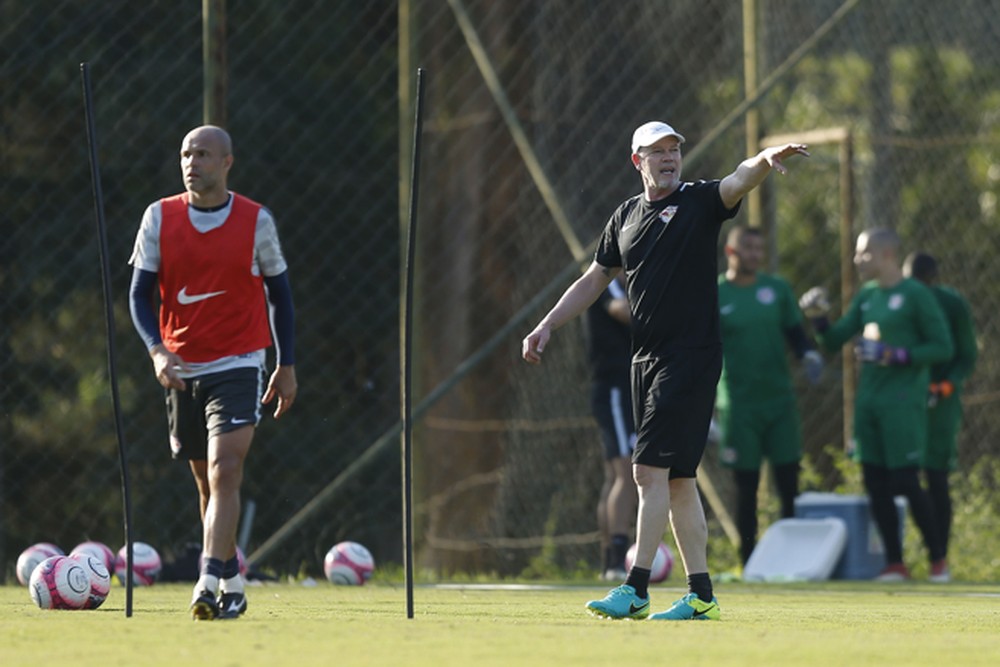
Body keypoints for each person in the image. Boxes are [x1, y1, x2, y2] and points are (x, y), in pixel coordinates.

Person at [522, 120, 809, 620]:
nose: (669, 157)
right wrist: (547, 324)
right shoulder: (625, 217)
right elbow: (594, 280)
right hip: (645, 361)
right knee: (678, 480)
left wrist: (763, 161)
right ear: (638, 161)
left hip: (690, 357)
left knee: (646, 471)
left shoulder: (698, 202)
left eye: (674, 148)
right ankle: (701, 595)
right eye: (657, 151)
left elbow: (737, 180)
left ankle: (635, 588)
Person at [128, 125, 297, 619]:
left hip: (240, 361)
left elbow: (280, 296)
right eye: (185, 153)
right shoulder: (158, 218)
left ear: (227, 162)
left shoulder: (255, 221)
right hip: (182, 366)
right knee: (206, 484)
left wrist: (286, 365)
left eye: (202, 153)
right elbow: (140, 296)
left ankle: (205, 583)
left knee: (226, 470)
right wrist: (158, 351)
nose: (191, 162)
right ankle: (235, 583)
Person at [799, 229, 952, 582]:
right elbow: (835, 340)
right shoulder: (867, 295)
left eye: (863, 253)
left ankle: (938, 560)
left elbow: (942, 347)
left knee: (906, 480)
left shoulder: (916, 295)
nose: (857, 259)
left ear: (886, 254)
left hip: (903, 403)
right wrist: (819, 318)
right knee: (875, 482)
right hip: (869, 403)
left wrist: (896, 355)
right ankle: (895, 563)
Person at [716, 225, 823, 566]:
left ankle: (791, 562)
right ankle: (749, 563)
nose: (755, 255)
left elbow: (795, 334)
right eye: (748, 248)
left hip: (779, 402)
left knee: (788, 483)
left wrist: (808, 354)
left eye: (759, 249)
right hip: (739, 405)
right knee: (745, 488)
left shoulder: (776, 290)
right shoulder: (715, 294)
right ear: (731, 252)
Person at [902, 252, 978, 579]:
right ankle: (895, 558)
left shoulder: (952, 303)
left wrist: (946, 385)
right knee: (900, 475)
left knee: (936, 475)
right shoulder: (897, 299)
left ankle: (939, 559)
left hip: (941, 402)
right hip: (904, 399)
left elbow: (966, 355)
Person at [585, 276, 638, 580]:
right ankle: (618, 559)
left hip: (622, 390)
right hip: (615, 389)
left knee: (614, 475)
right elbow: (622, 310)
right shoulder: (607, 285)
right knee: (626, 472)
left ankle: (610, 560)